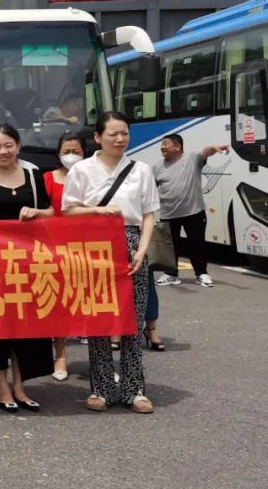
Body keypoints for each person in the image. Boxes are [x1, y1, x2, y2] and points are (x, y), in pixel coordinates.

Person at [63, 111, 159, 414]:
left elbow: (148, 214)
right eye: (113, 134)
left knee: (133, 319)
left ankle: (134, 389)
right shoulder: (82, 170)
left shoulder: (141, 169)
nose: (120, 139)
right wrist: (97, 211)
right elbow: (68, 211)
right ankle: (101, 388)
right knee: (99, 319)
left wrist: (141, 250)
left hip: (131, 244)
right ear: (97, 137)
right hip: (95, 247)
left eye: (124, 133)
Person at [0, 124, 55, 413]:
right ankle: (2, 387)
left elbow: (51, 212)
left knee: (26, 329)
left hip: (29, 264)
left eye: (8, 145)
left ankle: (20, 386)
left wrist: (37, 212)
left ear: (18, 146)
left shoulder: (33, 175)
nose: (2, 151)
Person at [154, 133, 228, 288]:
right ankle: (171, 274)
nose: (162, 147)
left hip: (193, 211)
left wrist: (213, 148)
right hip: (168, 213)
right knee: (170, 246)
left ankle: (201, 274)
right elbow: (151, 188)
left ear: (177, 146)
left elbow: (205, 151)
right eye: (162, 145)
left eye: (166, 144)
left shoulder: (192, 158)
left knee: (197, 244)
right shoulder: (157, 167)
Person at [42, 131, 87, 382]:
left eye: (76, 151)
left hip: (88, 247)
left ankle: (100, 362)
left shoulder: (93, 177)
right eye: (66, 151)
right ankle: (60, 355)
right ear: (58, 153)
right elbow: (43, 211)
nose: (71, 156)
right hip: (55, 249)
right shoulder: (48, 178)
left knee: (90, 303)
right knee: (61, 303)